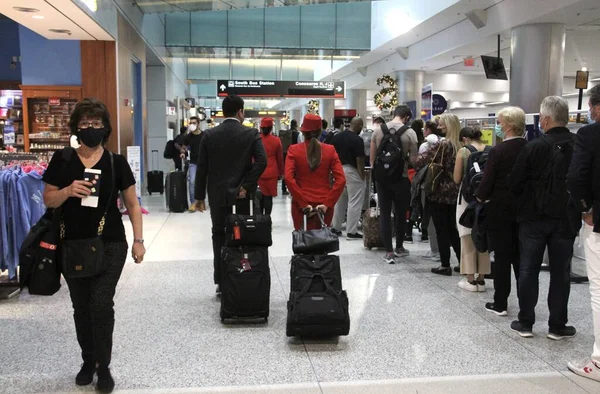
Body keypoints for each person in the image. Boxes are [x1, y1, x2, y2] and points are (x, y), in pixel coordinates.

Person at [42, 98, 145, 392]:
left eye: (96, 124)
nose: (90, 129)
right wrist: (68, 190)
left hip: (110, 242)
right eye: (85, 124)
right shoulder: (62, 160)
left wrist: (138, 241)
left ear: (105, 128)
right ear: (76, 127)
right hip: (72, 244)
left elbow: (133, 205)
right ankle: (88, 361)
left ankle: (104, 366)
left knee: (101, 303)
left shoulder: (116, 162)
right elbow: (48, 199)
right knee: (81, 307)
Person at [509, 96, 577, 338]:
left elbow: (515, 183)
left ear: (545, 120)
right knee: (561, 272)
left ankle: (526, 322)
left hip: (533, 218)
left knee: (528, 269)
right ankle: (557, 326)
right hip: (565, 219)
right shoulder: (577, 145)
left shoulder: (533, 147)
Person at [191, 95, 267, 294]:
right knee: (241, 233)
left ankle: (220, 280)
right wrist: (247, 186)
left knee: (218, 234)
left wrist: (199, 197)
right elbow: (261, 161)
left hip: (216, 195)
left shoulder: (209, 135)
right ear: (240, 112)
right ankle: (240, 273)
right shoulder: (250, 134)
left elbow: (202, 168)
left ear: (223, 113)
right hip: (241, 196)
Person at [476, 106, 527, 316]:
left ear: (509, 125)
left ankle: (500, 302)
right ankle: (525, 302)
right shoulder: (529, 147)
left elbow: (488, 181)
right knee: (522, 260)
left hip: (499, 210)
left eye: (500, 122)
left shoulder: (498, 151)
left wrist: (479, 196)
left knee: (502, 258)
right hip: (523, 211)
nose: (497, 125)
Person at [567, 84, 600, 381]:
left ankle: (599, 361)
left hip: (599, 223)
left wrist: (586, 208)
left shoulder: (590, 135)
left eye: (590, 106)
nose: (588, 112)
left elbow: (576, 177)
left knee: (599, 290)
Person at [370, 105, 418, 263]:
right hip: (401, 178)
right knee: (400, 212)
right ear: (407, 117)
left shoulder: (378, 131)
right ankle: (399, 247)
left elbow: (372, 159)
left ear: (394, 114)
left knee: (384, 213)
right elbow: (413, 160)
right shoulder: (410, 133)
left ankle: (389, 252)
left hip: (382, 179)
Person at [415, 113, 461, 275]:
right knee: (452, 228)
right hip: (454, 191)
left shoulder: (442, 145)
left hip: (439, 190)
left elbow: (420, 160)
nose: (439, 127)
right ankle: (463, 262)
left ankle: (445, 264)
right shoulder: (459, 145)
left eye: (441, 125)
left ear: (448, 126)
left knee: (440, 228)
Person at [285, 113, 346, 230]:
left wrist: (303, 204)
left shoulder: (294, 150)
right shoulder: (330, 150)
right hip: (324, 205)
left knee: (303, 242)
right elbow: (341, 180)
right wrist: (328, 203)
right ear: (320, 131)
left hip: (300, 206)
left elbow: (288, 178)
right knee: (323, 242)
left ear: (303, 132)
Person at [453, 127, 491, 291]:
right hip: (487, 198)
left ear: (465, 139)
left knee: (466, 236)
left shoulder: (463, 151)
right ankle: (482, 280)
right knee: (483, 235)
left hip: (467, 199)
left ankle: (470, 280)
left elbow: (456, 179)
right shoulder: (491, 150)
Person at [332, 117, 366, 240]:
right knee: (354, 201)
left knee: (340, 201)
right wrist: (362, 175)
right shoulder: (357, 140)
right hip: (352, 171)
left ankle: (335, 228)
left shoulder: (337, 137)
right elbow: (360, 160)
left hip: (338, 170)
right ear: (358, 126)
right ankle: (351, 231)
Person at [257, 117, 284, 215]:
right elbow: (280, 158)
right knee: (268, 197)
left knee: (260, 196)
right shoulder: (276, 141)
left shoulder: (257, 139)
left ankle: (259, 218)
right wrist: (281, 172)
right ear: (271, 128)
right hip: (272, 172)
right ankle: (267, 218)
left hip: (259, 172)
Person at [179, 116, 203, 210]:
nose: (192, 125)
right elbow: (183, 147)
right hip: (193, 162)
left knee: (202, 183)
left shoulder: (204, 135)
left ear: (198, 124)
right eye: (191, 123)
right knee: (192, 181)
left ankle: (201, 201)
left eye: (194, 123)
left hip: (204, 163)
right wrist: (182, 153)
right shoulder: (188, 137)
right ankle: (193, 203)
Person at [279, 120, 299, 195]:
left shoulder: (286, 133)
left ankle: (284, 189)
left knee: (286, 171)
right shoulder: (297, 134)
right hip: (295, 154)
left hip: (285, 154)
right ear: (296, 125)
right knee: (295, 172)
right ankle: (293, 189)